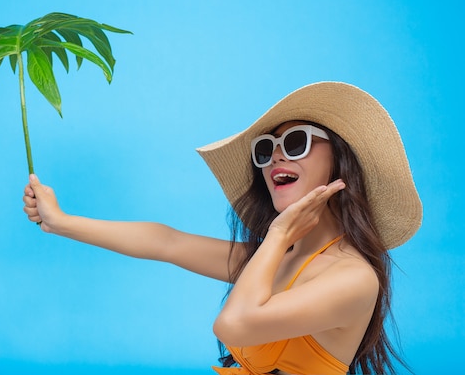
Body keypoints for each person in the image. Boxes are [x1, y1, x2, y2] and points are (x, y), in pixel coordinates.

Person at [22, 81, 422, 375]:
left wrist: (280, 234)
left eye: (296, 142)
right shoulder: (275, 258)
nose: (275, 156)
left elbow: (233, 325)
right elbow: (167, 242)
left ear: (340, 162)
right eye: (265, 149)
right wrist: (62, 222)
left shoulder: (353, 278)